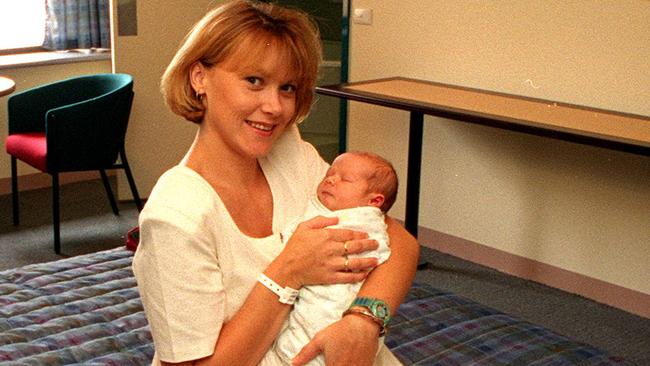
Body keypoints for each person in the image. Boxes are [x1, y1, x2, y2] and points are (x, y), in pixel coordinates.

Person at [132, 1, 419, 365]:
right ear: (199, 77)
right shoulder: (175, 215)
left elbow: (400, 242)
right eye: (254, 81)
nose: (275, 107)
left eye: (287, 88)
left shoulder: (289, 153)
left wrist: (363, 321)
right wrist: (288, 271)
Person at [271, 151, 399, 365]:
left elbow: (381, 251)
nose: (330, 179)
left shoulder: (363, 221)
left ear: (374, 201)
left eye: (345, 179)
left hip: (342, 299)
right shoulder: (320, 205)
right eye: (330, 174)